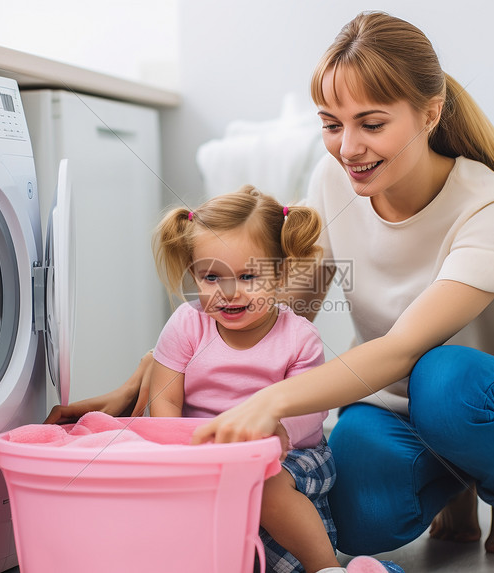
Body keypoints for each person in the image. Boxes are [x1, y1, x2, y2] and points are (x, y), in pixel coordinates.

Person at [48, 9, 494, 563]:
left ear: (431, 114)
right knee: (348, 524)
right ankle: (459, 487)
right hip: (395, 411)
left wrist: (271, 400)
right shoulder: (334, 180)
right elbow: (277, 312)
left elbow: (405, 348)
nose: (348, 148)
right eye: (332, 124)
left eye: (372, 124)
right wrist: (162, 367)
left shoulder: (493, 204)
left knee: (441, 373)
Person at [48, 185, 404, 573]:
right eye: (212, 277)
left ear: (282, 272)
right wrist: (181, 454)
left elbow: (308, 414)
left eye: (249, 275)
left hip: (287, 458)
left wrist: (272, 434)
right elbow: (166, 400)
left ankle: (326, 567)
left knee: (263, 484)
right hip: (202, 453)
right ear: (194, 274)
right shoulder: (187, 325)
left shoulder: (298, 337)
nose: (229, 293)